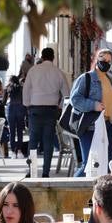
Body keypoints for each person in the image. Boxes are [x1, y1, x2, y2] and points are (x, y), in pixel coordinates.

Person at [70, 47, 112, 176]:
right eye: (103, 59)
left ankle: (98, 195)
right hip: (90, 126)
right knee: (90, 164)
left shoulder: (110, 79)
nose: (106, 63)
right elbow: (75, 99)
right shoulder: (87, 78)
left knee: (106, 164)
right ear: (96, 59)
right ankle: (71, 189)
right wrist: (93, 105)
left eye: (109, 61)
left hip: (107, 126)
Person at [22, 46, 68, 178]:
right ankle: (46, 172)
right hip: (51, 110)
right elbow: (66, 94)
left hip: (35, 108)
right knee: (48, 141)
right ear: (53, 58)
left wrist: (27, 104)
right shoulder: (58, 72)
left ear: (41, 57)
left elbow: (26, 89)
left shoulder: (33, 70)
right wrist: (60, 106)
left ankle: (32, 170)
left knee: (33, 141)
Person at [4, 74, 26, 158]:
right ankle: (20, 151)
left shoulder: (7, 88)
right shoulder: (21, 88)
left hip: (10, 109)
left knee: (12, 131)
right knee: (20, 131)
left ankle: (13, 151)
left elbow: (3, 102)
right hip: (20, 108)